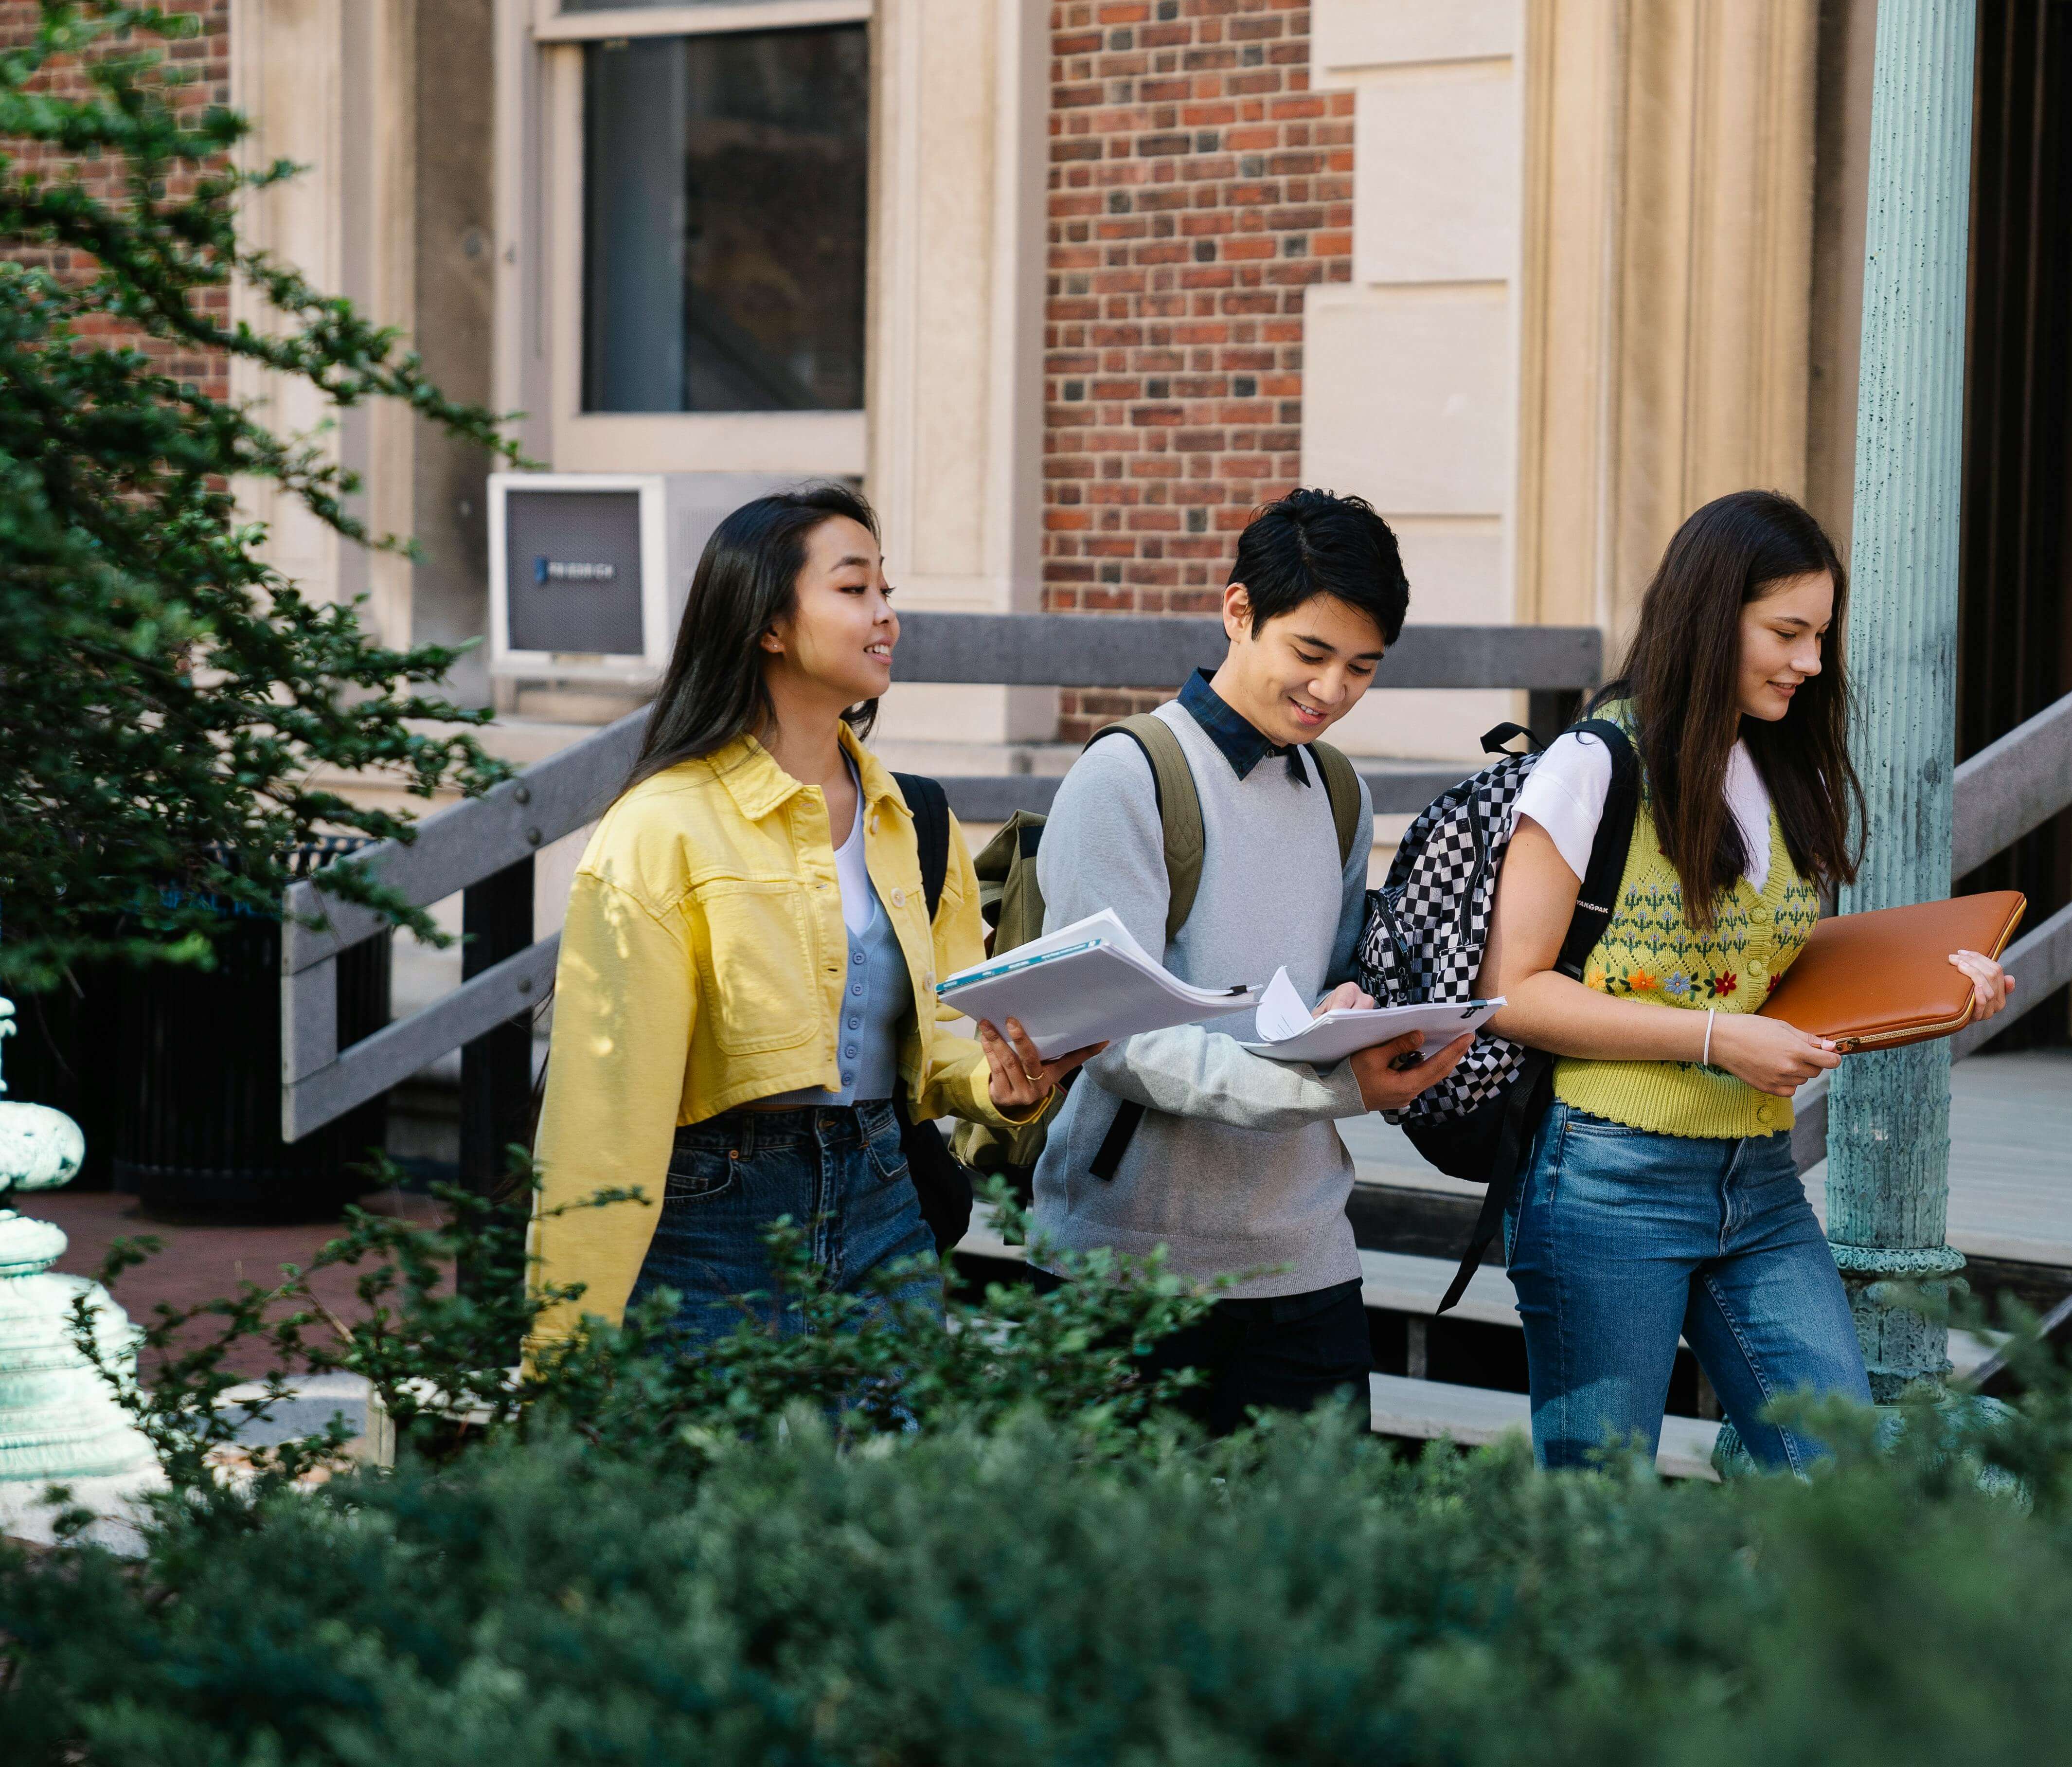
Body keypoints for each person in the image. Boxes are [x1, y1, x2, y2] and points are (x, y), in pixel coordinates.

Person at [1476, 489, 2016, 1471]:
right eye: (1788, 631)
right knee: (1599, 1512)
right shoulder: (1596, 764)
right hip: (1606, 1176)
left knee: (1834, 1476)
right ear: (1709, 613)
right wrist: (1723, 1039)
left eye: (1821, 634)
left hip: (1757, 1182)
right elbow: (1513, 991)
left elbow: (1775, 962)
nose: (1811, 662)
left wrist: (1933, 984)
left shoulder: (1772, 763)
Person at [524, 484, 1089, 1359]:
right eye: (854, 588)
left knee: (887, 1490)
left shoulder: (910, 817)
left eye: (886, 593)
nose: (885, 616)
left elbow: (939, 1029)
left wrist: (1000, 1084)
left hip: (882, 1193)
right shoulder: (661, 827)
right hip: (711, 1204)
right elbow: (604, 1114)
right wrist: (563, 1348)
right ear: (768, 625)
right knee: (707, 1486)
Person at [1026, 489, 1472, 1432]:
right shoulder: (1128, 775)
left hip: (1309, 1259)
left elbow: (1315, 987)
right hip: (1127, 1267)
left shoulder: (1339, 790)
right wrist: (1330, 1085)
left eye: (1362, 667)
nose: (1334, 690)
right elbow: (1117, 1041)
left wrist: (1357, 1007)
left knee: (1313, 1573)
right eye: (1311, 654)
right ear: (1238, 612)